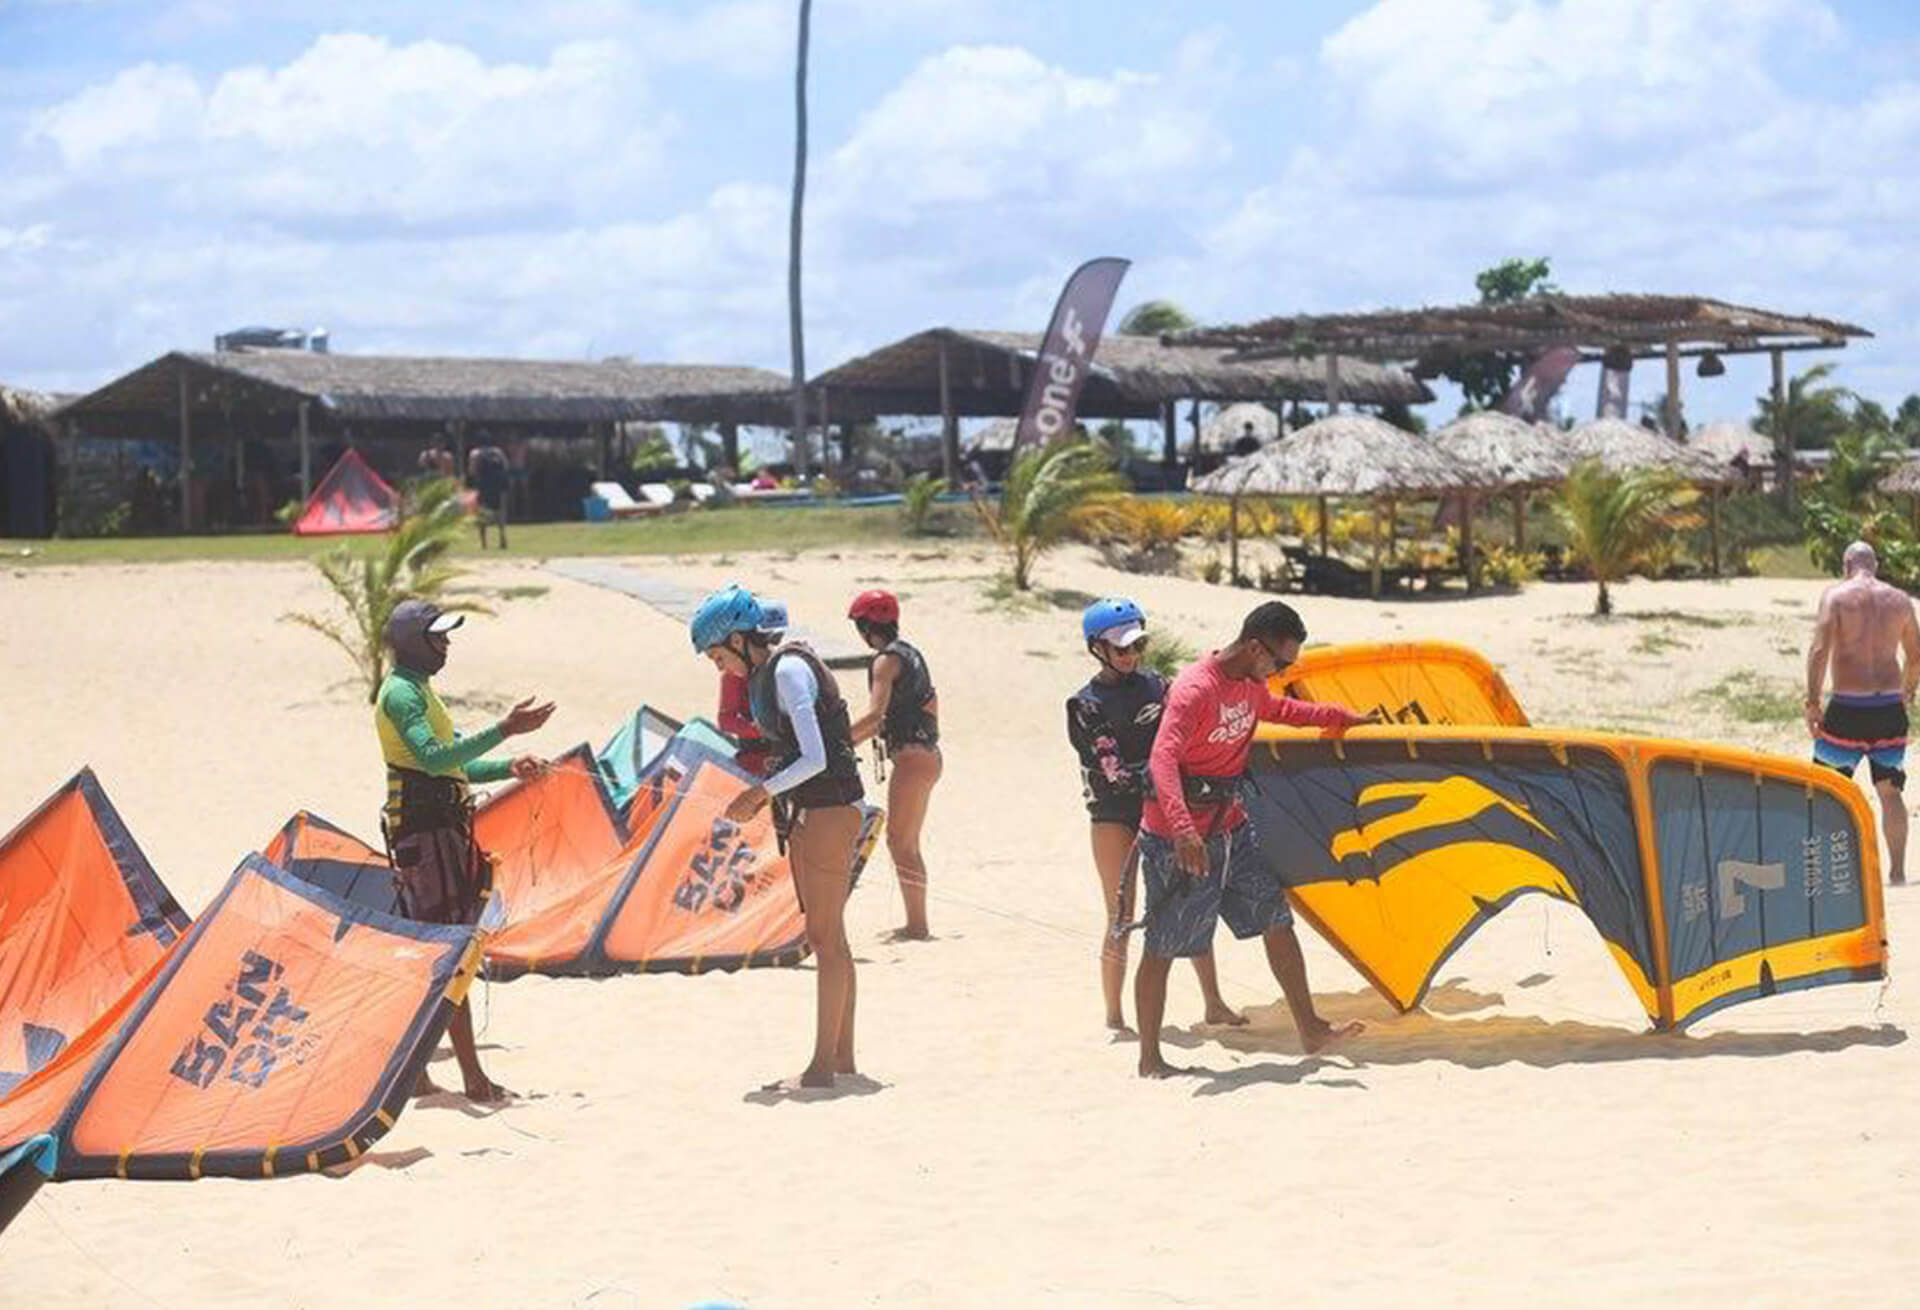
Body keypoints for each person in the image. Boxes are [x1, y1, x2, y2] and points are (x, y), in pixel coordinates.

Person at [1134, 600, 1376, 1078]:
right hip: (1176, 838)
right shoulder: (1195, 689)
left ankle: (1311, 1029)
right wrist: (1183, 828)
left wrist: (1340, 717)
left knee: (1277, 919)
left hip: (1230, 828)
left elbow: (1283, 710)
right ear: (1254, 647)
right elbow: (1162, 757)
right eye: (1280, 663)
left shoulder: (1251, 685)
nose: (1281, 673)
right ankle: (1150, 1058)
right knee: (1162, 945)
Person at [376, 600, 554, 1101]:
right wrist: (505, 729)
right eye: (438, 637)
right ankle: (472, 1079)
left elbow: (456, 765)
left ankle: (420, 1075)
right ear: (414, 643)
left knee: (444, 950)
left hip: (443, 829)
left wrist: (509, 766)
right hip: (425, 834)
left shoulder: (420, 691)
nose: (447, 644)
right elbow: (435, 761)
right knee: (450, 952)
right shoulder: (401, 695)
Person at [693, 585, 865, 1089]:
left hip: (831, 808)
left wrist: (757, 794)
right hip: (810, 810)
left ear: (740, 640)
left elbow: (816, 757)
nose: (722, 668)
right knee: (830, 936)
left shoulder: (788, 671)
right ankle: (842, 1059)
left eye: (719, 656)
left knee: (824, 939)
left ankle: (821, 1068)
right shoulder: (766, 674)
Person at [1067, 599, 1244, 1034]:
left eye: (1137, 645)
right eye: (1121, 648)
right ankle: (1115, 1016)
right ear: (1097, 648)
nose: (1131, 655)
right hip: (1114, 814)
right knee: (1120, 913)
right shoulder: (1085, 704)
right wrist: (1168, 772)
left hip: (1167, 808)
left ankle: (1214, 1002)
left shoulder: (1158, 686)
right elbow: (1112, 771)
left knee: (1193, 899)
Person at [1806, 540, 1920, 884]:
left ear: (1846, 566)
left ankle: (1832, 876)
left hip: (1847, 710)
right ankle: (1897, 872)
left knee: (1827, 791)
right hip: (1888, 709)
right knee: (1891, 792)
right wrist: (1907, 692)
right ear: (1876, 566)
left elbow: (1819, 650)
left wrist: (1813, 702)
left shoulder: (1836, 597)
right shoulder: (1899, 600)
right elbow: (1915, 656)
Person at [847, 589, 941, 942]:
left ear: (865, 626)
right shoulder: (911, 654)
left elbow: (874, 718)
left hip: (912, 757)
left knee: (900, 844)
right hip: (927, 755)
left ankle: (917, 926)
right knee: (907, 844)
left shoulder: (885, 661)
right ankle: (917, 922)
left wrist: (836, 745)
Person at [717, 600, 786, 776]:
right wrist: (758, 729)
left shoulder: (785, 668)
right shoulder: (734, 674)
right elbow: (725, 719)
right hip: (754, 758)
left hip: (785, 755)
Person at [469, 443, 510, 549]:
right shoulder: (498, 451)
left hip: (484, 484)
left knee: (482, 512)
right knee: (500, 511)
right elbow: (506, 466)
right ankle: (502, 537)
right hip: (499, 484)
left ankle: (484, 543)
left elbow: (472, 471)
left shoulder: (475, 453)